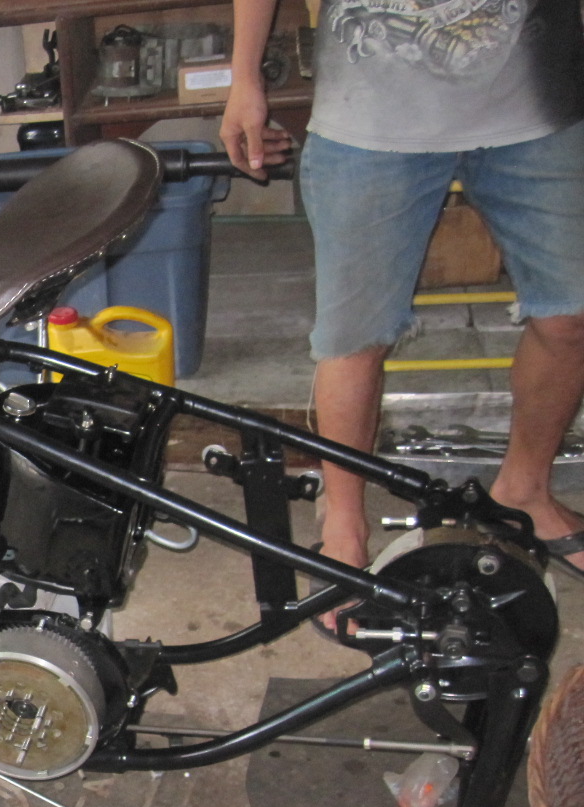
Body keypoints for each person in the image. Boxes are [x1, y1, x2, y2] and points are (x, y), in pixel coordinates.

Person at [220, 0, 584, 590]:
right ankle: (343, 524)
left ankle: (525, 490)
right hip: (368, 115)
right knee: (353, 338)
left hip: (539, 103)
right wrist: (244, 79)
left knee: (572, 314)